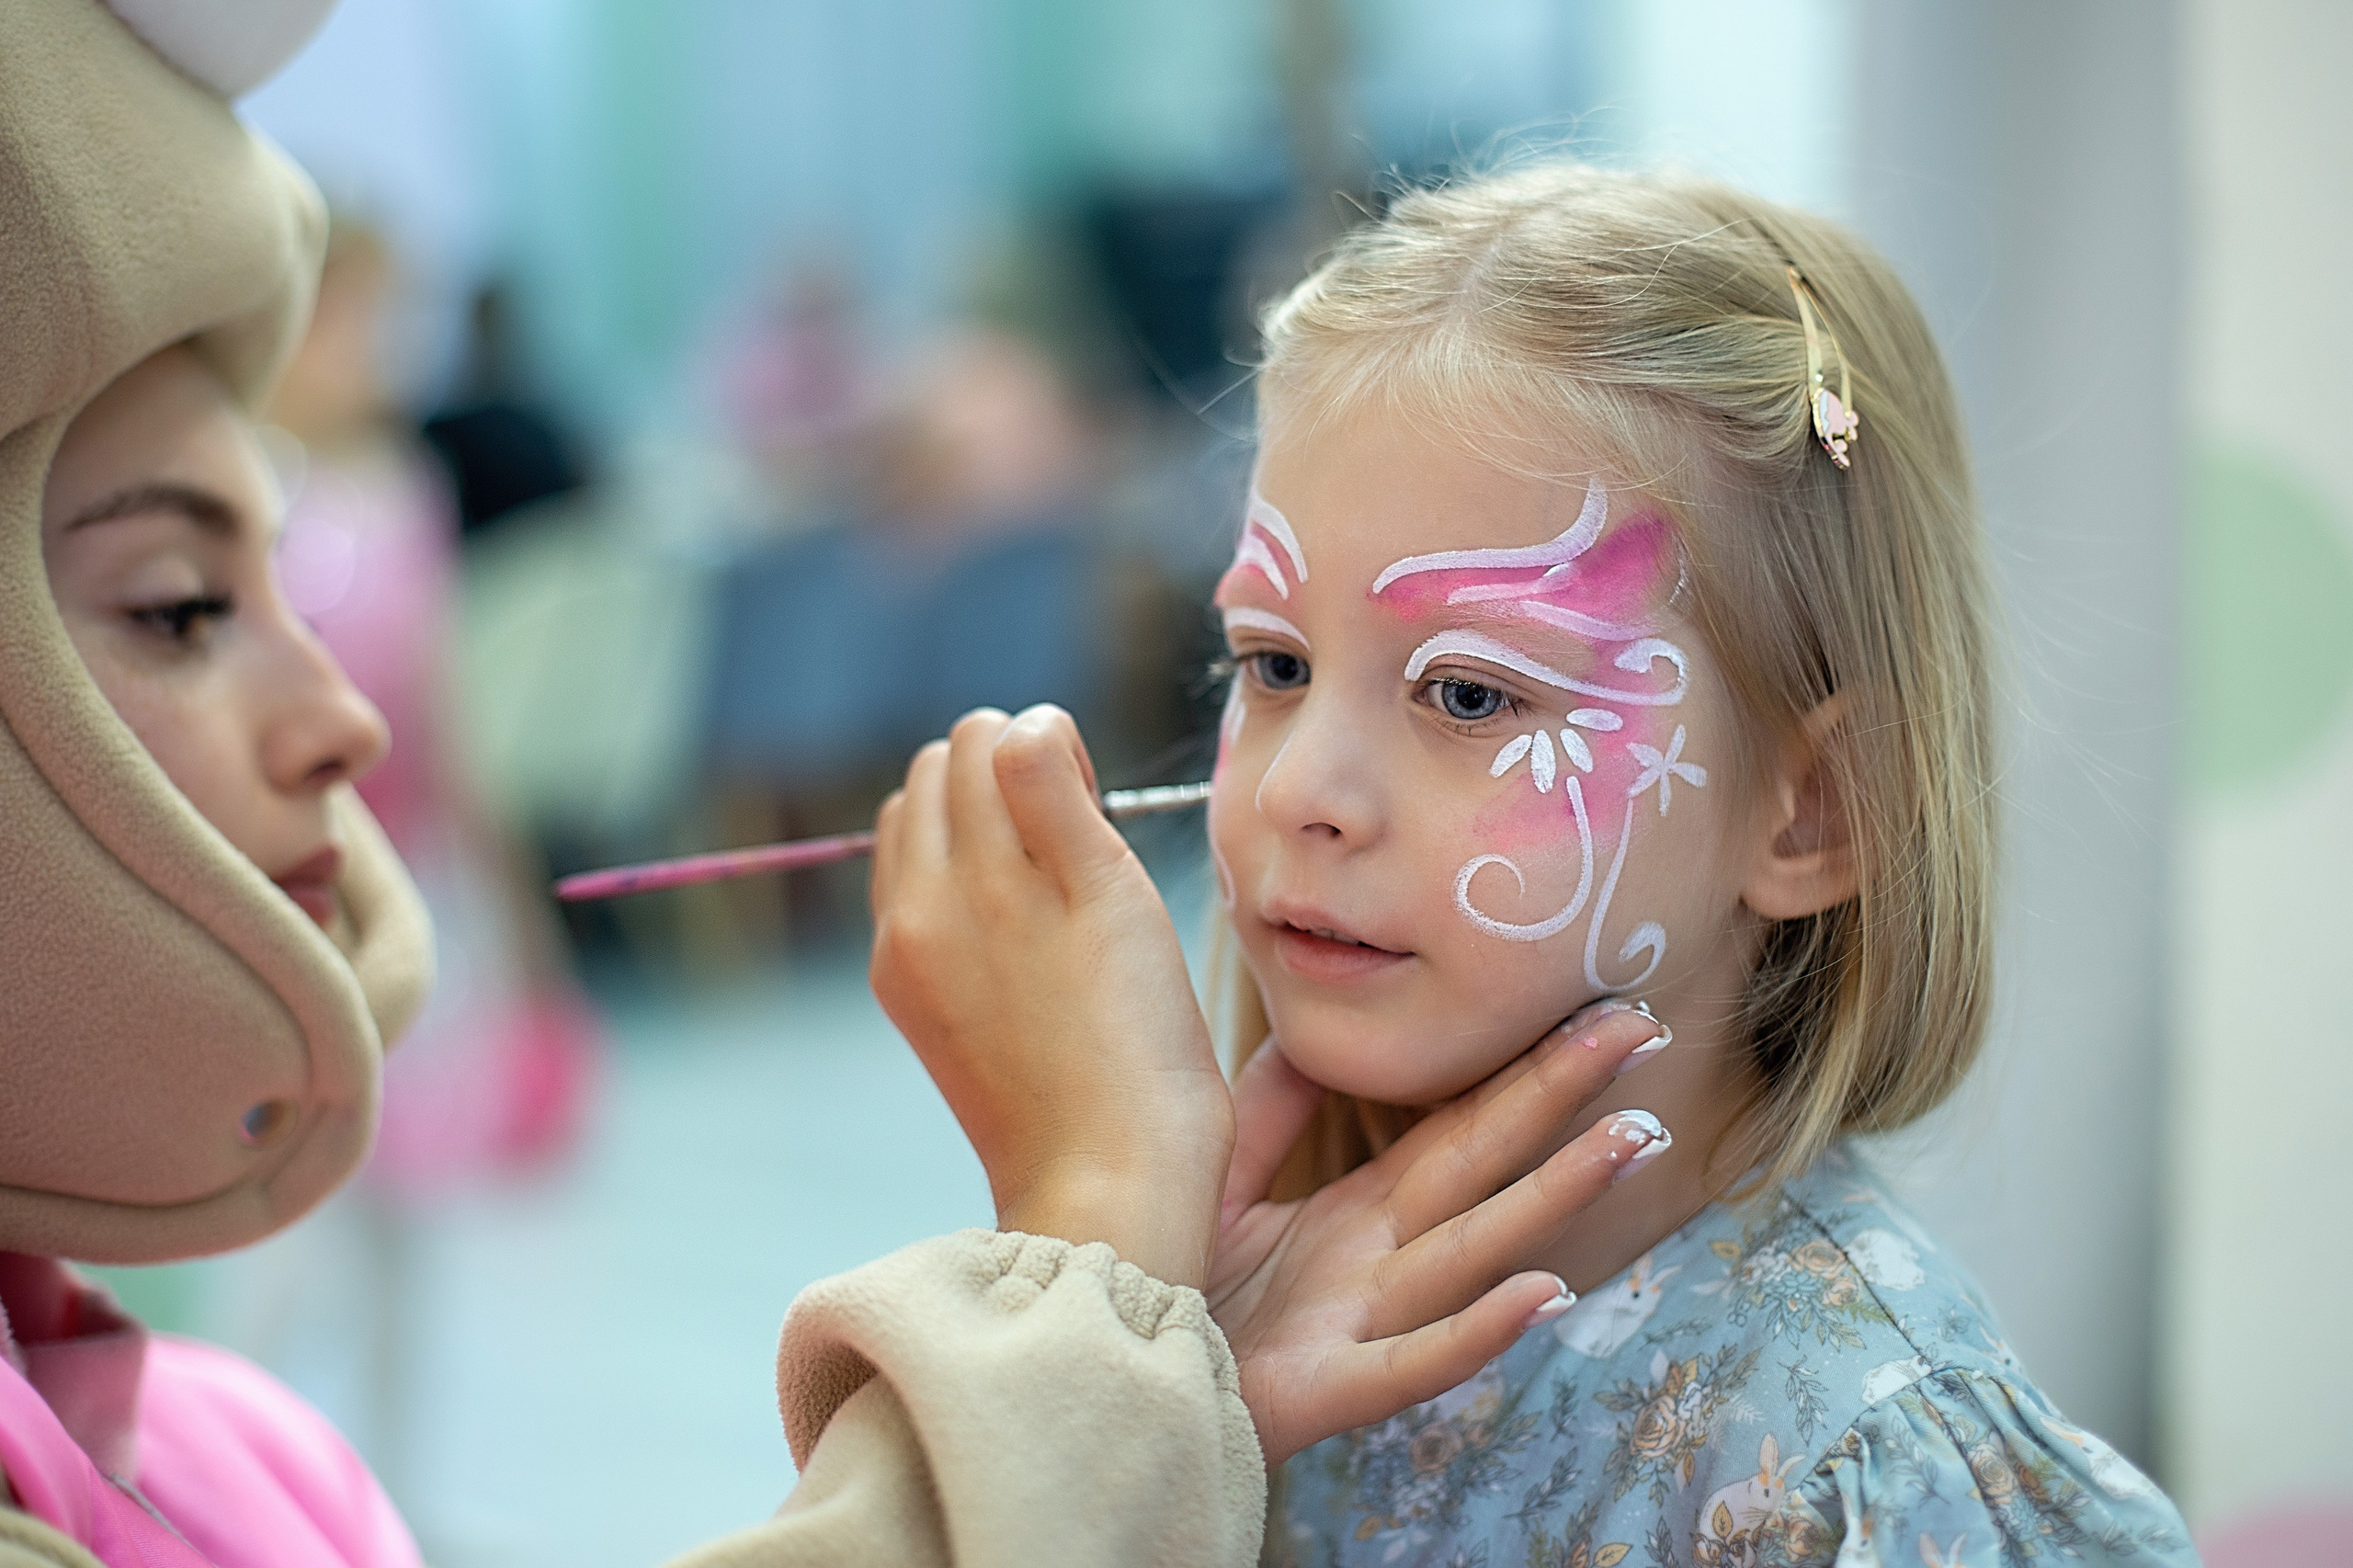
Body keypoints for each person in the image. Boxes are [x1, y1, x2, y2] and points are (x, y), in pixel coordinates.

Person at [0, 6, 1642, 1565]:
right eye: (177, 605)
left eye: (1471, 692)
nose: (344, 718)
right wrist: (1086, 1254)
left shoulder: (235, 1456)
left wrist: (1137, 1363)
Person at [912, 164, 2202, 1565]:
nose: (1295, 788)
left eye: (1470, 694)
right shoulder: (1222, 1312)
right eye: (1273, 662)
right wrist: (1116, 1351)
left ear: (1814, 810)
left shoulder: (1859, 1470)